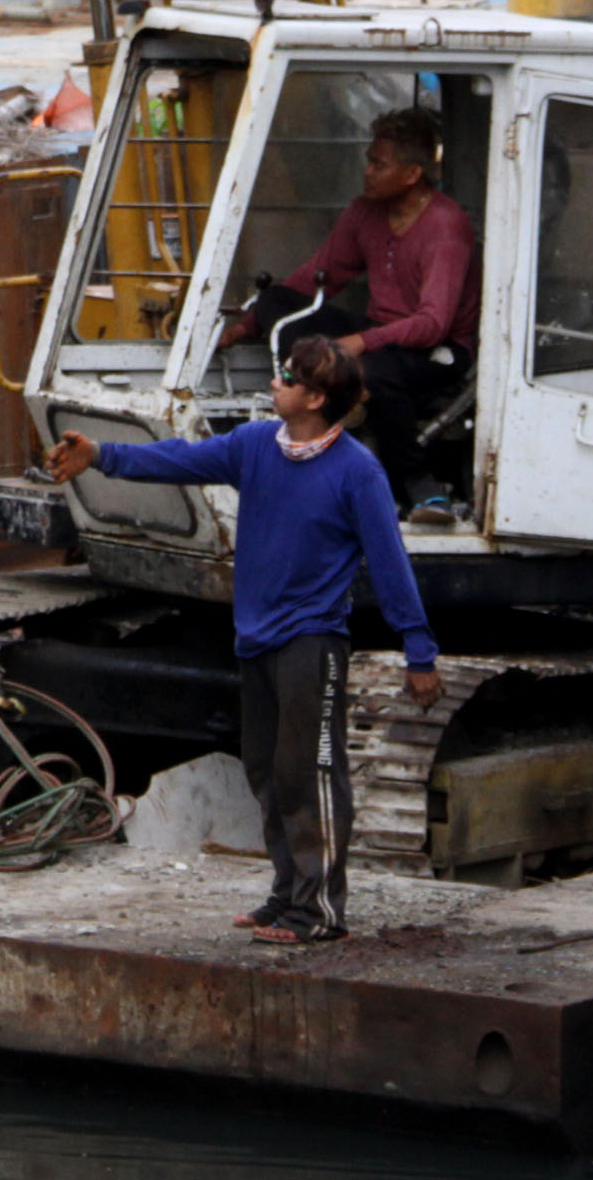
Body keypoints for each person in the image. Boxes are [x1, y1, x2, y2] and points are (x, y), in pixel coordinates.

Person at [47, 338, 438, 946]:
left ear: (315, 398)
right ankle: (286, 895)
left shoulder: (358, 471)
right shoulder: (257, 446)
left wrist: (420, 651)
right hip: (255, 637)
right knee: (268, 772)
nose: (274, 383)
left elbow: (390, 565)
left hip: (313, 640)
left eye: (288, 378)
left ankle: (319, 913)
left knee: (310, 774)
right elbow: (179, 460)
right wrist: (100, 454)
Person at [221, 104, 476, 521]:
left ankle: (420, 487)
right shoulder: (365, 211)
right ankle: (338, 403)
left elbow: (433, 323)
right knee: (279, 301)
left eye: (380, 164)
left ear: (412, 174)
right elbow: (316, 279)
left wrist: (359, 343)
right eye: (369, 161)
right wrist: (246, 325)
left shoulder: (446, 227)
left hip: (436, 349)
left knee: (373, 370)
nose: (368, 172)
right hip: (379, 333)